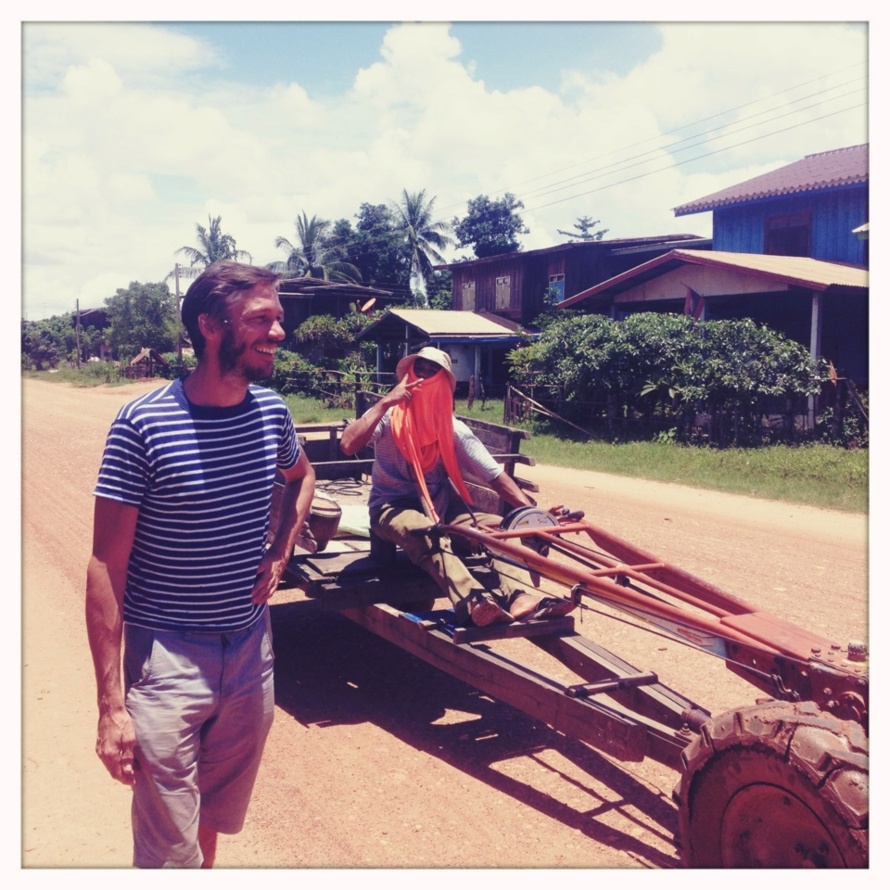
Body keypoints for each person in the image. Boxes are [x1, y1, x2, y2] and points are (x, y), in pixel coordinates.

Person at [85, 261, 316, 868]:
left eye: (278, 319)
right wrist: (111, 705)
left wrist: (280, 549)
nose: (278, 333)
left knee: (211, 821)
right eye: (261, 320)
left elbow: (303, 477)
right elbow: (107, 566)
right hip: (165, 658)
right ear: (211, 327)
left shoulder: (272, 414)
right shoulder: (143, 425)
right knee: (168, 852)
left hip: (249, 652)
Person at [340, 346, 575, 627]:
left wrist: (532, 516)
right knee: (428, 532)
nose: (424, 378)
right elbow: (347, 444)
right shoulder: (389, 419)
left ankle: (519, 596)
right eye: (420, 370)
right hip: (391, 507)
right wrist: (384, 403)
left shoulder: (451, 428)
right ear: (407, 376)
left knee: (500, 529)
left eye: (432, 372)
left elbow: (494, 476)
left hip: (440, 506)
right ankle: (473, 602)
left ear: (443, 383)